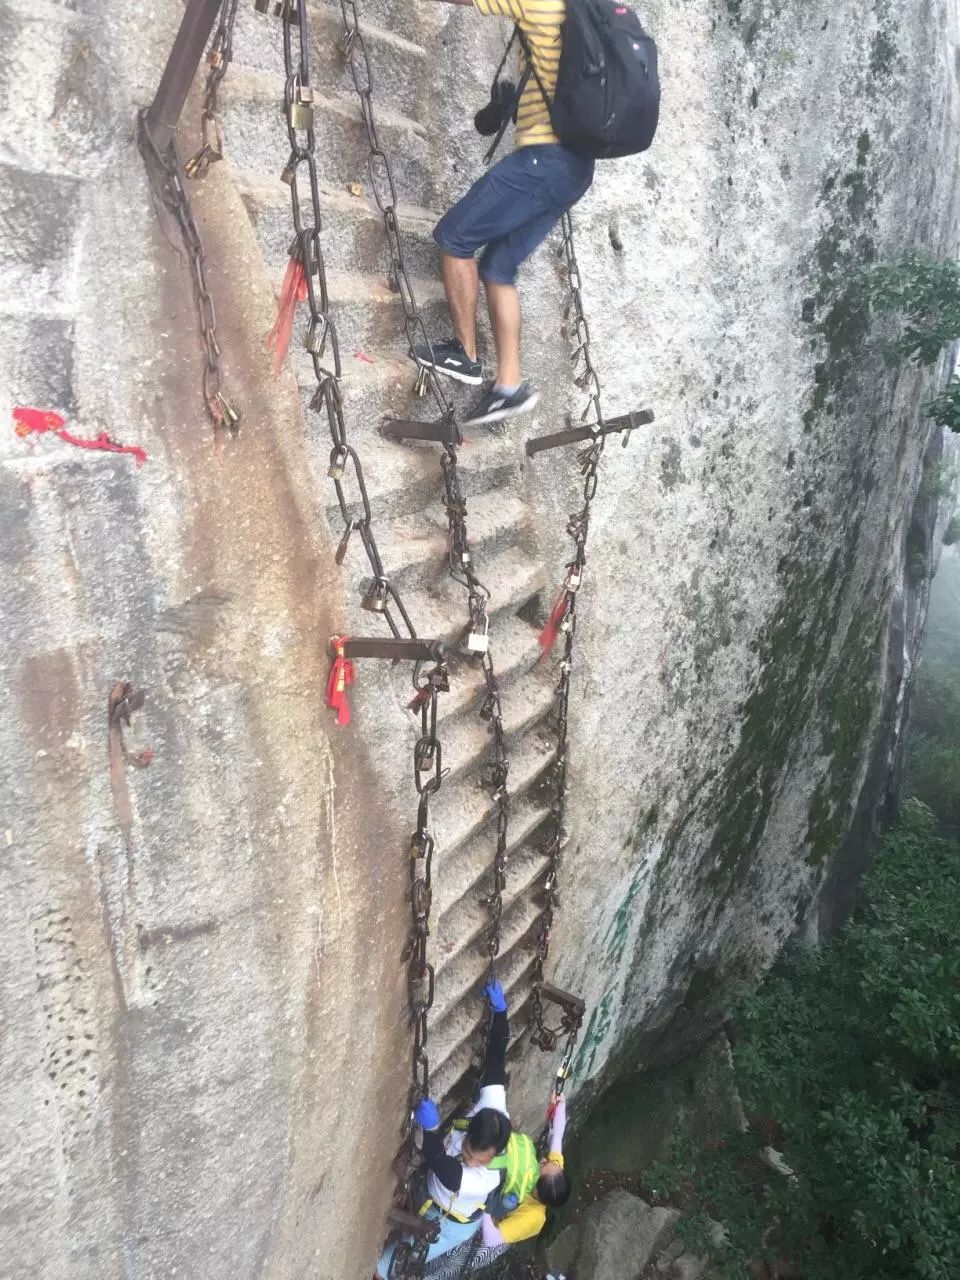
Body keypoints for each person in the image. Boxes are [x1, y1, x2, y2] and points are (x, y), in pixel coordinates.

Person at [413, 0, 595, 427]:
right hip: (576, 169)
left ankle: (465, 356)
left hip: (544, 159)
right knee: (499, 267)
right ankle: (508, 387)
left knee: (455, 237)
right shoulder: (585, 13)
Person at [374, 979, 515, 1278]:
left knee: (384, 1271)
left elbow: (444, 1166)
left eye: (480, 1159)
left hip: (450, 1222)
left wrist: (434, 1128)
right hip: (432, 1194)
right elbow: (497, 1054)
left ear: (496, 1153)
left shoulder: (484, 1179)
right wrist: (500, 1012)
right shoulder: (491, 1106)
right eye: (469, 1153)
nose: (473, 1161)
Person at [423, 1090, 571, 1278]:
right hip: (488, 1209)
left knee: (447, 1265)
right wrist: (560, 1105)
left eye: (543, 1165)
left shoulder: (533, 1218)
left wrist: (484, 1200)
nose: (543, 1161)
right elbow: (557, 1137)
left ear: (536, 1193)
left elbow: (492, 1238)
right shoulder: (552, 1173)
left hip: (490, 1236)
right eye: (550, 1162)